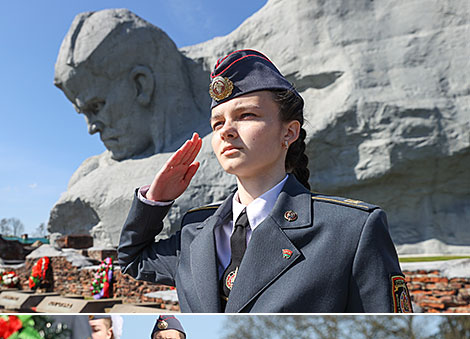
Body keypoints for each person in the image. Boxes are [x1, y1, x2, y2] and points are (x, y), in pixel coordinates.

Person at [118, 49, 411, 314]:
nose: (226, 131)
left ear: (289, 132)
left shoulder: (350, 230)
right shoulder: (196, 230)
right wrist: (156, 200)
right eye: (217, 123)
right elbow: (133, 259)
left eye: (246, 115)